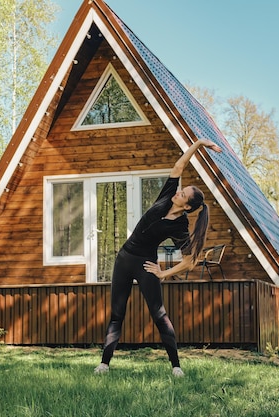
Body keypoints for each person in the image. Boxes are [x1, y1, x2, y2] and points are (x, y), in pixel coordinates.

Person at [94, 138, 222, 377]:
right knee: (117, 314)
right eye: (181, 190)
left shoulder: (180, 227)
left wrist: (163, 273)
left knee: (159, 314)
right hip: (124, 259)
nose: (178, 192)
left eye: (183, 194)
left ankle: (176, 366)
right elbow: (179, 166)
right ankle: (104, 364)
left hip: (145, 265)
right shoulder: (166, 196)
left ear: (187, 206)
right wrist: (199, 143)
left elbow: (189, 261)